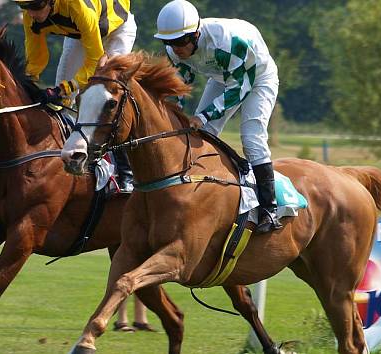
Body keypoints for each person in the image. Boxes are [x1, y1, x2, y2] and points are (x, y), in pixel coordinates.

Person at [154, 0, 283, 233]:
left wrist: (202, 116)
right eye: (168, 43)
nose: (176, 49)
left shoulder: (227, 43)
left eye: (181, 42)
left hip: (257, 78)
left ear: (195, 34)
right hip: (223, 76)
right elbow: (180, 85)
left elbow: (239, 89)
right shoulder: (175, 49)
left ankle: (270, 210)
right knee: (203, 134)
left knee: (252, 139)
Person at [14, 0, 136, 192]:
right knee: (61, 103)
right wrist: (26, 83)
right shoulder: (30, 17)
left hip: (117, 31)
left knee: (104, 94)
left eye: (36, 7)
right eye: (24, 8)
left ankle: (125, 173)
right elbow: (36, 59)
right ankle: (62, 158)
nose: (31, 13)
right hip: (80, 36)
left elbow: (95, 60)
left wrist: (64, 88)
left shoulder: (78, 8)